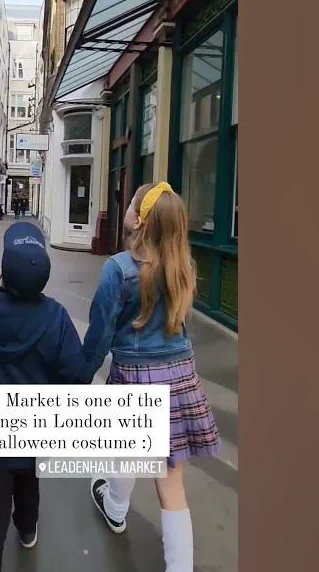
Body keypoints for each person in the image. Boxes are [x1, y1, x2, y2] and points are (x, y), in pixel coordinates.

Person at [80, 182, 221, 572]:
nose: (126, 207)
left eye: (131, 204)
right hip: (180, 375)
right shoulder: (184, 265)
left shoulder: (118, 270)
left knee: (127, 452)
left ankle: (115, 507)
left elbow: (99, 337)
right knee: (171, 483)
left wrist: (79, 377)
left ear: (139, 220)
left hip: (136, 376)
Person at [0, 221, 91, 572]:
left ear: (2, 272)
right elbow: (76, 375)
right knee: (29, 478)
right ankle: (27, 527)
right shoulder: (57, 317)